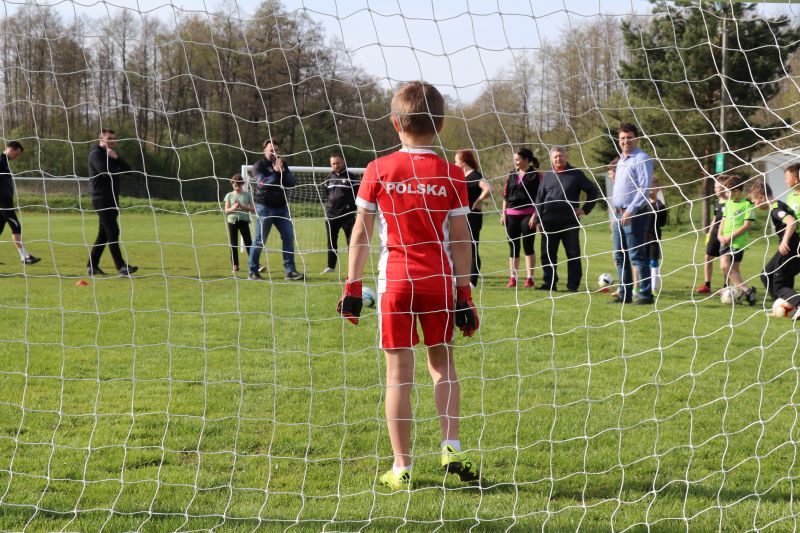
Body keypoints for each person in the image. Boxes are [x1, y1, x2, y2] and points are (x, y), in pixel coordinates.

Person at [337, 81, 480, 490]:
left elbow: (361, 235)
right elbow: (461, 239)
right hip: (438, 281)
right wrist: (464, 292)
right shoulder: (453, 174)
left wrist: (351, 286)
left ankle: (402, 467)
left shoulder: (378, 169)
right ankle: (451, 445)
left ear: (395, 122)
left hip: (396, 281)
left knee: (398, 375)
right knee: (443, 365)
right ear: (440, 123)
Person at [534, 146, 599, 292]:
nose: (558, 159)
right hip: (548, 222)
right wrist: (538, 219)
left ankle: (573, 285)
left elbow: (593, 191)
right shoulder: (547, 175)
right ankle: (549, 284)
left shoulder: (576, 174)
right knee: (548, 255)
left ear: (566, 156)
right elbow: (539, 198)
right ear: (551, 158)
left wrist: (585, 209)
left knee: (573, 254)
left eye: (561, 156)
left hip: (570, 222)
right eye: (555, 156)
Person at [247, 139, 304, 281]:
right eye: (271, 149)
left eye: (277, 150)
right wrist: (277, 174)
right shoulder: (259, 165)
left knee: (289, 238)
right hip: (265, 208)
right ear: (264, 151)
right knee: (260, 240)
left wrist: (283, 171)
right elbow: (261, 184)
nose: (275, 152)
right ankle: (252, 272)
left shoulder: (282, 164)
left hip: (282, 208)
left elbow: (291, 182)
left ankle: (290, 272)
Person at [610, 123, 654, 305]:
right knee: (620, 256)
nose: (625, 141)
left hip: (634, 214)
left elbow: (644, 187)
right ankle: (624, 294)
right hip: (619, 214)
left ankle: (645, 295)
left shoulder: (642, 158)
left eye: (629, 137)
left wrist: (630, 209)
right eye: (622, 138)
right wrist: (616, 214)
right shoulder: (621, 160)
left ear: (637, 138)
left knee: (636, 255)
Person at [87, 129, 138, 276]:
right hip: (101, 198)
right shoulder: (96, 153)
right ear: (101, 139)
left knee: (103, 234)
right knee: (112, 232)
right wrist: (114, 162)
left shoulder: (110, 154)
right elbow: (106, 172)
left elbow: (129, 170)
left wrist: (116, 158)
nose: (112, 140)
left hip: (112, 198)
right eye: (109, 138)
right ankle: (121, 266)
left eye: (114, 138)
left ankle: (92, 265)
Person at [749, 179, 800, 311]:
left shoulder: (776, 208)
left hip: (791, 248)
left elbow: (791, 222)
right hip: (792, 246)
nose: (755, 205)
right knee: (766, 274)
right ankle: (781, 307)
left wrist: (784, 240)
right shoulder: (780, 204)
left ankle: (797, 305)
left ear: (761, 197)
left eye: (754, 201)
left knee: (779, 284)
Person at [501, 148, 540, 288]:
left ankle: (530, 278)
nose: (515, 162)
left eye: (518, 159)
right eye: (515, 159)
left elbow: (539, 198)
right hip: (511, 216)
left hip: (528, 215)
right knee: (513, 247)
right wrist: (503, 213)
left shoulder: (536, 175)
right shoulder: (511, 175)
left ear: (526, 160)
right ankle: (513, 277)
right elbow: (505, 195)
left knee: (528, 246)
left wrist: (535, 215)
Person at [717, 174, 757, 305]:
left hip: (737, 242)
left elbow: (746, 225)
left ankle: (745, 290)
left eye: (728, 191)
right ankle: (745, 293)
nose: (726, 194)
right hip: (724, 240)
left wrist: (731, 236)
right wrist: (719, 235)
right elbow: (723, 220)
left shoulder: (747, 205)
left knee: (726, 267)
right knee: (733, 271)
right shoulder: (728, 204)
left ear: (737, 191)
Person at [454, 149, 492, 287]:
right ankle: (458, 276)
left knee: (472, 246)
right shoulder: (460, 176)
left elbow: (489, 188)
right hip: (460, 216)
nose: (454, 163)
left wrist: (478, 201)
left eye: (456, 161)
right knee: (459, 246)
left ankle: (473, 281)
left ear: (463, 162)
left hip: (473, 217)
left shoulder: (475, 175)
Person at [0, 141, 40, 266]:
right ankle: (25, 257)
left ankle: (25, 257)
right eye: (16, 154)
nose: (16, 157)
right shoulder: (1, 161)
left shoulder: (5, 162)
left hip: (5, 203)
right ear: (11, 149)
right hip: (3, 204)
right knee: (16, 227)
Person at [321, 153, 360, 274]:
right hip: (331, 215)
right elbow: (326, 196)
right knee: (331, 241)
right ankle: (330, 266)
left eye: (338, 163)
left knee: (351, 241)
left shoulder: (352, 177)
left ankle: (352, 267)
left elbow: (358, 195)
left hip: (347, 215)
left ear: (343, 162)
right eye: (333, 163)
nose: (336, 165)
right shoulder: (328, 179)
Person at [696, 180, 726, 294]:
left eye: (717, 187)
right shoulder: (718, 202)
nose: (715, 189)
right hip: (714, 233)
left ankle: (726, 286)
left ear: (724, 188)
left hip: (725, 233)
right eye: (714, 187)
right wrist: (709, 233)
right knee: (708, 257)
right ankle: (707, 285)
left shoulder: (730, 203)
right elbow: (714, 218)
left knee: (725, 261)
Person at [223, 174, 254, 273]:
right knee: (233, 244)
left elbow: (253, 209)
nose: (237, 188)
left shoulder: (247, 195)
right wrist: (234, 208)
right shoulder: (229, 195)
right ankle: (235, 265)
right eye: (235, 185)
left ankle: (254, 263)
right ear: (232, 184)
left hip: (244, 220)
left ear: (243, 185)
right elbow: (226, 210)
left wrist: (242, 206)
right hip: (232, 221)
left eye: (239, 185)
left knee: (249, 242)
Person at [646, 183, 668, 292]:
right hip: (641, 238)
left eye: (652, 185)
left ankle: (653, 288)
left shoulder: (660, 206)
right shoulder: (642, 203)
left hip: (654, 238)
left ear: (658, 188)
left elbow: (663, 223)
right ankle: (643, 286)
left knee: (653, 262)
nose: (650, 188)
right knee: (642, 262)